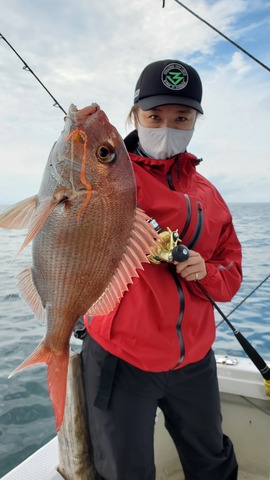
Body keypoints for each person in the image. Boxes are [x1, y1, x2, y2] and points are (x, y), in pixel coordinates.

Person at [81, 59, 242, 480]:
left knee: (213, 462)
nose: (166, 126)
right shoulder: (108, 175)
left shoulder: (210, 194)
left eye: (181, 117)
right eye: (154, 116)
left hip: (195, 361)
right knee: (124, 470)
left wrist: (206, 271)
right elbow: (69, 212)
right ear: (134, 116)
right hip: (121, 359)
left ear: (195, 121)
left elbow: (231, 273)